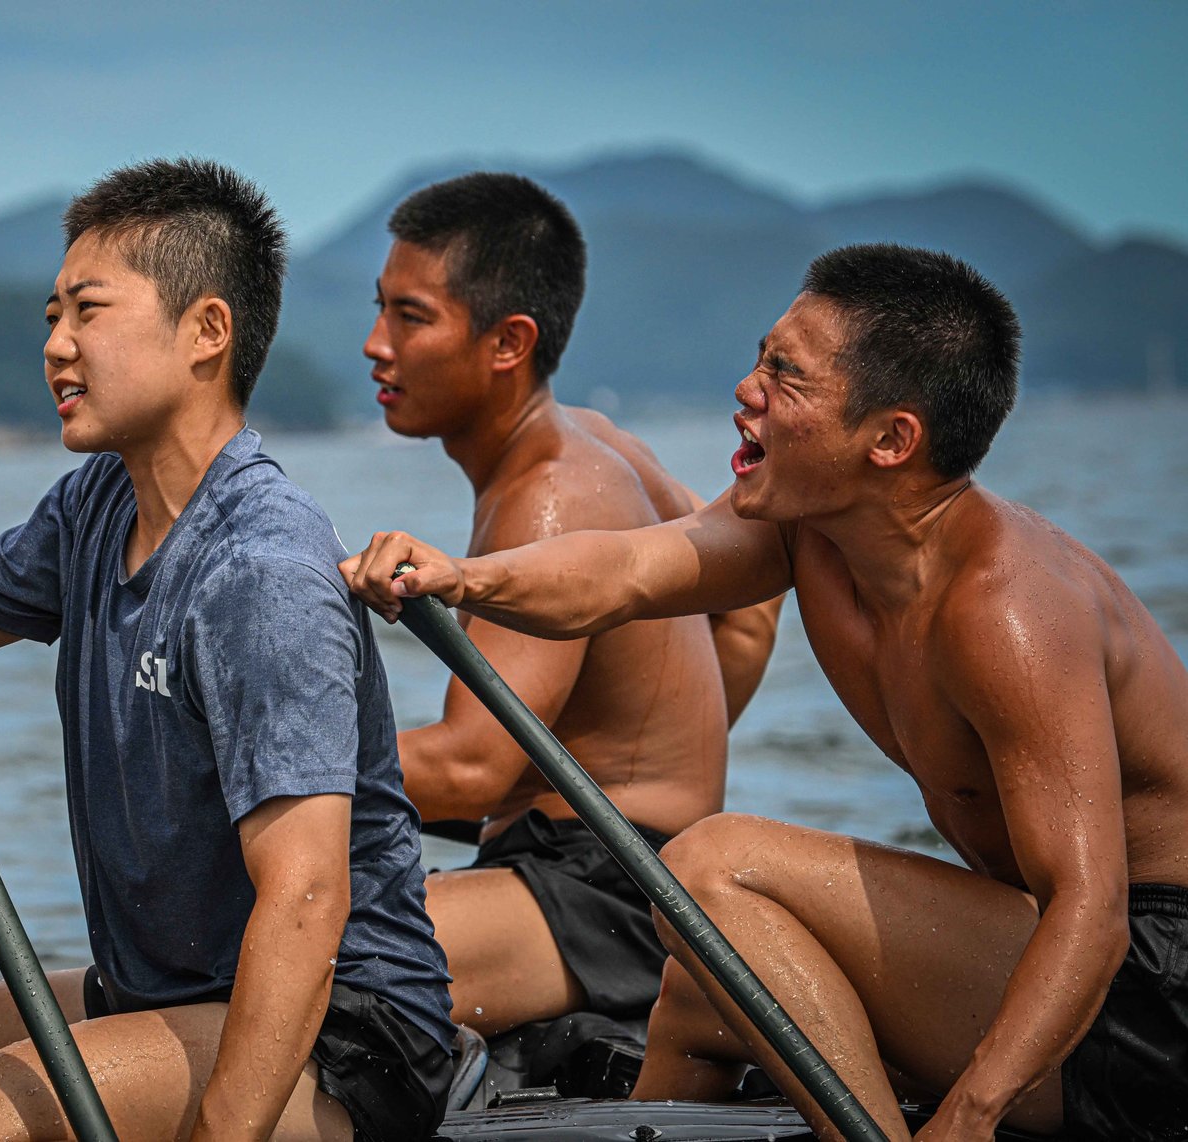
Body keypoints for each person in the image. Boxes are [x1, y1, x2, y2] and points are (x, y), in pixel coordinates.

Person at [343, 243, 1188, 1141]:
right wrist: (464, 576)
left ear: (890, 440)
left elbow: (1089, 917)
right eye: (759, 357)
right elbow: (626, 569)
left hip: (1151, 1003)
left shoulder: (1003, 610)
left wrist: (972, 1115)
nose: (746, 389)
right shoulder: (812, 532)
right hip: (1062, 960)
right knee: (695, 998)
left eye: (784, 376)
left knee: (711, 865)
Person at [0, 158, 456, 1141]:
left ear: (206, 332)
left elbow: (306, 897)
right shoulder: (94, 504)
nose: (55, 345)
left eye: (87, 312)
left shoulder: (258, 570)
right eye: (51, 315)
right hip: (150, 991)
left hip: (345, 1031)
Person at [364, 171, 779, 1039]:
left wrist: (231, 759)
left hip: (605, 895)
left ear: (508, 342)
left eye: (409, 317)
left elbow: (470, 770)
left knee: (271, 954)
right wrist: (667, 759)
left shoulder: (553, 492)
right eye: (379, 309)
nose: (374, 344)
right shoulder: (596, 437)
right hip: (632, 870)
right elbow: (748, 609)